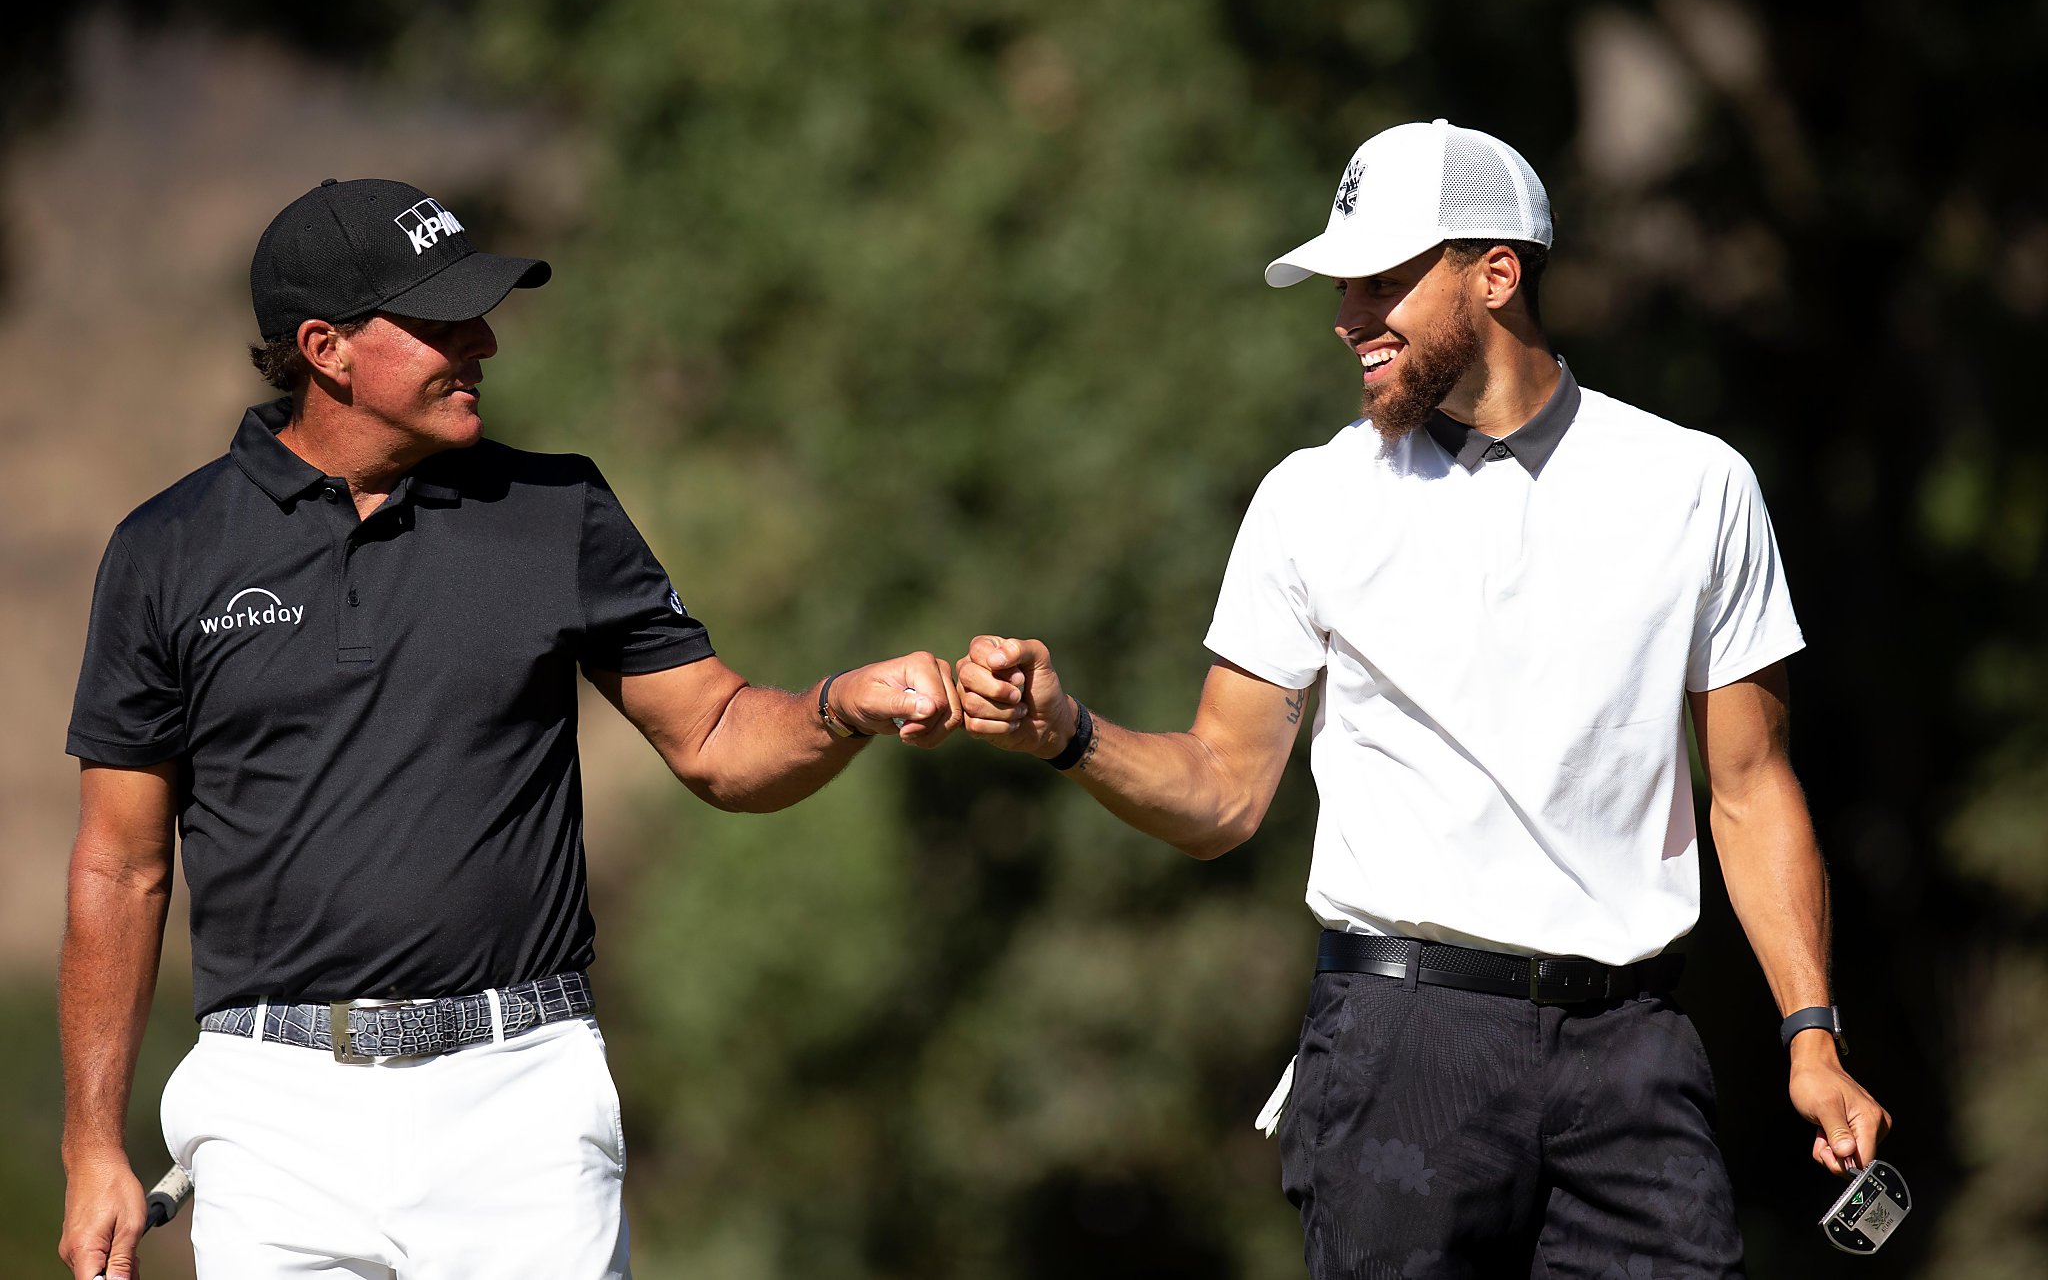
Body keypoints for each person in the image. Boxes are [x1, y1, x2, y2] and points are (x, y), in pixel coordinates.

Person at [955, 119, 1889, 1277]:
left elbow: (1748, 791)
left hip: (1633, 1053)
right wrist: (1067, 735)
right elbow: (1221, 793)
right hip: (1402, 1045)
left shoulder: (1695, 487)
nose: (1348, 315)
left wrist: (1811, 1034)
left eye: (1383, 280)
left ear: (1494, 273)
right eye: (1342, 283)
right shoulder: (1310, 501)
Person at [58, 177, 962, 1280]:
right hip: (271, 1111)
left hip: (519, 1104)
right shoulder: (167, 550)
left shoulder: (556, 511)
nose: (482, 341)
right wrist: (90, 1143)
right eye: (440, 322)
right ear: (325, 348)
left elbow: (719, 739)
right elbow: (119, 865)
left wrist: (838, 708)